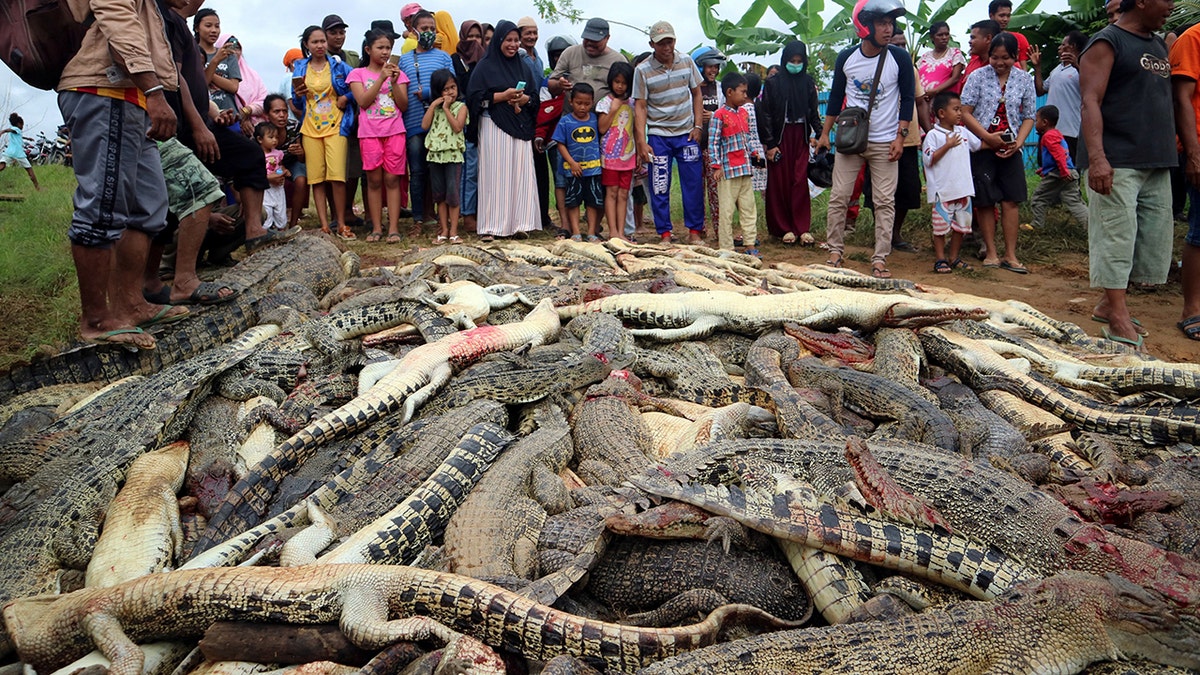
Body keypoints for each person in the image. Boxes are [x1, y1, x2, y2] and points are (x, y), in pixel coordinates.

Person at [58, 0, 182, 348]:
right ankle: (96, 319)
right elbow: (116, 17)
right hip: (104, 89)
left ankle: (131, 304)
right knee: (103, 204)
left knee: (147, 206)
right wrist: (155, 91)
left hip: (131, 97)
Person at [1081, 0, 1175, 349]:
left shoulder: (1157, 43)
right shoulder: (1107, 41)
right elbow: (1090, 100)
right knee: (1116, 237)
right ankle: (1118, 315)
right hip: (1117, 157)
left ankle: (1108, 304)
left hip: (1154, 158)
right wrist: (1097, 157)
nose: (1172, 5)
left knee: (1149, 239)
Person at [816, 0, 914, 279]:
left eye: (890, 23)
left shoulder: (900, 58)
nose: (889, 29)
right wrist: (825, 134)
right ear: (865, 26)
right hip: (850, 141)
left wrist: (900, 136)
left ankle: (880, 258)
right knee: (839, 197)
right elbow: (834, 99)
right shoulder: (847, 58)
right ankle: (835, 251)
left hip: (886, 142)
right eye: (882, 23)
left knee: (884, 201)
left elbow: (907, 99)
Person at [960, 32, 1036, 273]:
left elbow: (1029, 116)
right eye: (994, 57)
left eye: (1005, 57)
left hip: (1012, 147)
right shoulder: (977, 76)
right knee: (985, 200)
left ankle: (1010, 255)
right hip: (983, 147)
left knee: (1011, 200)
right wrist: (987, 137)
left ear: (1015, 56)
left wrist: (1019, 143)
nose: (999, 62)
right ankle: (991, 252)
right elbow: (965, 111)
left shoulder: (1024, 79)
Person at [466, 19, 539, 241]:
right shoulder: (485, 67)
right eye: (509, 40)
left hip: (519, 125)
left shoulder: (523, 66)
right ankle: (491, 226)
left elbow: (534, 98)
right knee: (495, 175)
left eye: (516, 40)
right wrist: (502, 96)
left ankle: (520, 223)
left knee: (519, 174)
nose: (513, 44)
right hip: (492, 125)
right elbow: (474, 97)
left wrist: (523, 98)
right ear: (499, 40)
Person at [633, 21, 705, 243]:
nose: (667, 47)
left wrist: (698, 125)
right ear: (652, 44)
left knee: (693, 184)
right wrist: (642, 142)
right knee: (659, 185)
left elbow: (697, 93)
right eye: (661, 43)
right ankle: (664, 233)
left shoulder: (686, 62)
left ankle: (694, 232)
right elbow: (640, 106)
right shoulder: (642, 70)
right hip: (659, 135)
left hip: (687, 134)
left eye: (670, 41)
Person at [292, 25, 356, 240]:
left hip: (337, 126)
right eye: (315, 42)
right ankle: (324, 225)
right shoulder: (300, 67)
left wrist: (346, 98)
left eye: (322, 41)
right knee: (316, 179)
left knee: (337, 177)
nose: (320, 45)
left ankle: (341, 223)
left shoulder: (339, 66)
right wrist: (298, 94)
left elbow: (356, 86)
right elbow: (296, 99)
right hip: (310, 127)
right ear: (307, 45)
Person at [348, 28, 409, 244]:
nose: (385, 52)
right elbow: (363, 101)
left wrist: (392, 81)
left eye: (388, 48)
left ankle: (393, 227)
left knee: (392, 179)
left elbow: (403, 105)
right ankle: (376, 226)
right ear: (368, 49)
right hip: (369, 133)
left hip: (395, 131)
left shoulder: (398, 75)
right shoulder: (358, 74)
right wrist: (380, 78)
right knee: (374, 180)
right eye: (380, 47)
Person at [760, 40, 822, 245]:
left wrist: (821, 135)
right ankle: (783, 228)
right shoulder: (773, 83)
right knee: (779, 182)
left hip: (801, 137)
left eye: (799, 61)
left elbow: (813, 113)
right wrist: (770, 143)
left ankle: (801, 228)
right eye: (791, 61)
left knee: (799, 181)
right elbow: (766, 114)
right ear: (784, 60)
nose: (795, 64)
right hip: (780, 137)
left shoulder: (807, 83)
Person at [398, 10, 453, 230]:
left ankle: (442, 218)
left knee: (439, 170)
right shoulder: (404, 60)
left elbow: (452, 87)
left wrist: (429, 93)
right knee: (418, 171)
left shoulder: (444, 57)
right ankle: (418, 218)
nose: (429, 32)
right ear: (413, 30)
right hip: (413, 123)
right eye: (424, 29)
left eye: (433, 28)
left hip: (441, 123)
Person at [923, 92, 981, 274]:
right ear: (941, 113)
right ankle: (940, 258)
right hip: (943, 191)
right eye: (955, 109)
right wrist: (947, 145)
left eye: (960, 109)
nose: (960, 113)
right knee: (940, 227)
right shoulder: (933, 135)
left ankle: (954, 257)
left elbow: (978, 145)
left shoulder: (963, 132)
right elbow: (928, 160)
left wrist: (999, 143)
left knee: (961, 227)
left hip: (963, 190)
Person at [708, 72, 762, 256]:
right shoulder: (719, 115)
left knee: (748, 209)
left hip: (745, 170)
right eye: (742, 92)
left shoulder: (744, 113)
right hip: (727, 171)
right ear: (730, 92)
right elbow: (713, 142)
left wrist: (754, 154)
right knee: (727, 211)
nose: (746, 96)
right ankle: (726, 248)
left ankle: (749, 245)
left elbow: (748, 138)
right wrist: (716, 166)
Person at [1173, 22, 1200, 341]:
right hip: (1198, 146)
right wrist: (1193, 154)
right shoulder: (1192, 38)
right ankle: (1191, 309)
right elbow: (1181, 99)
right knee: (1199, 228)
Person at [553, 83, 604, 240]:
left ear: (592, 102)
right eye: (579, 103)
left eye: (587, 104)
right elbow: (560, 143)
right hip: (572, 170)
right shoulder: (565, 122)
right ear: (571, 102)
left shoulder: (595, 120)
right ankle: (575, 232)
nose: (582, 107)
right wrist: (572, 162)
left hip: (593, 170)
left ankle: (590, 232)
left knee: (593, 201)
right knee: (573, 201)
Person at [422, 69, 468, 244]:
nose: (450, 92)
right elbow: (424, 125)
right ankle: (444, 230)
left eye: (453, 87)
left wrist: (447, 108)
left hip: (453, 155)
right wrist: (434, 106)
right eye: (445, 89)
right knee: (439, 195)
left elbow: (457, 127)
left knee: (453, 194)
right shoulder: (435, 108)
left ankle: (454, 231)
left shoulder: (460, 107)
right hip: (435, 156)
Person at [1029, 105, 1087, 229]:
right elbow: (1061, 155)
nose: (1035, 123)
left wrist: (1063, 171)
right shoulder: (1057, 134)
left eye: (1036, 120)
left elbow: (1059, 154)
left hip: (1059, 174)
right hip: (1069, 171)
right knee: (1074, 201)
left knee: (1039, 198)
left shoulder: (1048, 136)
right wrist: (1045, 169)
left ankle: (1037, 225)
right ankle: (1091, 225)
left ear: (1044, 122)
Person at [453, 20, 487, 233]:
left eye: (477, 37)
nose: (473, 41)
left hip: (485, 118)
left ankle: (483, 211)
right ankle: (467, 214)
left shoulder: (486, 60)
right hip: (464, 121)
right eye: (469, 37)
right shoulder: (455, 60)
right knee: (469, 170)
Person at [1032, 31, 1085, 160]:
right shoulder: (1057, 69)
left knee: (1069, 168)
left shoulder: (1084, 65)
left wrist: (1077, 65)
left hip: (1070, 129)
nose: (1059, 48)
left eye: (1063, 45)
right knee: (1047, 165)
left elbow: (1090, 86)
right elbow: (1040, 90)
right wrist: (1037, 67)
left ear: (1072, 46)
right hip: (1050, 129)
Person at [598, 62, 636, 241]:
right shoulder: (605, 102)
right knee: (611, 192)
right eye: (617, 82)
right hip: (609, 157)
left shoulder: (633, 103)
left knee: (623, 194)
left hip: (628, 156)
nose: (620, 86)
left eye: (624, 82)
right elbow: (602, 128)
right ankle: (612, 230)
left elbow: (636, 128)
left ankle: (621, 232)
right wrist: (613, 110)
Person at [548, 18, 627, 100]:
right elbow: (552, 85)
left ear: (607, 38)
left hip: (606, 112)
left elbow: (627, 92)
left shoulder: (618, 60)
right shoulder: (570, 53)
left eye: (595, 40)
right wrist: (559, 85)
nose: (590, 43)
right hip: (571, 112)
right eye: (587, 39)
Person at [694, 46, 726, 236]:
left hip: (714, 149)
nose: (713, 70)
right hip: (695, 146)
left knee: (716, 192)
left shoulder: (720, 88)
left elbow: (726, 113)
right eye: (709, 66)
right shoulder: (693, 88)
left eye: (716, 66)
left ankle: (720, 229)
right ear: (699, 67)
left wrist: (713, 115)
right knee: (697, 191)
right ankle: (699, 229)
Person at [264, 94, 307, 227]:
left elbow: (302, 159)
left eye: (284, 111)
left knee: (301, 180)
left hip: (292, 162)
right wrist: (277, 170)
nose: (282, 115)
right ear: (267, 114)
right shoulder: (262, 131)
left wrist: (300, 152)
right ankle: (269, 221)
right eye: (276, 111)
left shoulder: (294, 127)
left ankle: (294, 222)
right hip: (269, 165)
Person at [194, 10, 240, 120]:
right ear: (197, 28)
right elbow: (200, 86)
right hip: (203, 116)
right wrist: (215, 61)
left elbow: (233, 87)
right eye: (208, 26)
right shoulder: (192, 54)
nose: (214, 30)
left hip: (229, 115)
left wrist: (206, 71)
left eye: (217, 26)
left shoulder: (227, 54)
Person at [918, 21, 966, 98]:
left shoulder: (954, 53)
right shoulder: (925, 56)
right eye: (940, 35)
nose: (944, 37)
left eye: (946, 34)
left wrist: (935, 91)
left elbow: (955, 78)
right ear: (932, 37)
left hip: (944, 100)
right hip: (923, 100)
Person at [255, 122, 289, 231]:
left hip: (278, 187)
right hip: (265, 188)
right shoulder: (257, 154)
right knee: (267, 209)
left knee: (280, 209)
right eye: (270, 137)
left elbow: (279, 167)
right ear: (260, 139)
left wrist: (282, 172)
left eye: (276, 137)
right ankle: (266, 231)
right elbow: (258, 172)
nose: (274, 140)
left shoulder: (278, 153)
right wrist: (270, 177)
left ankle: (282, 229)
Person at [0, 114, 41, 190]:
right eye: (22, 125)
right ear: (19, 124)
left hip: (9, 152)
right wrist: (3, 131)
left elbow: (18, 135)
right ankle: (38, 188)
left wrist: (27, 138)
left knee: (2, 166)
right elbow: (12, 130)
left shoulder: (15, 130)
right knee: (29, 170)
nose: (22, 127)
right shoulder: (16, 129)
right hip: (18, 154)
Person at [988, 0, 1029, 67]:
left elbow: (1023, 69)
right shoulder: (984, 40)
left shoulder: (1019, 38)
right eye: (1002, 15)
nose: (1005, 19)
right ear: (991, 16)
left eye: (1008, 16)